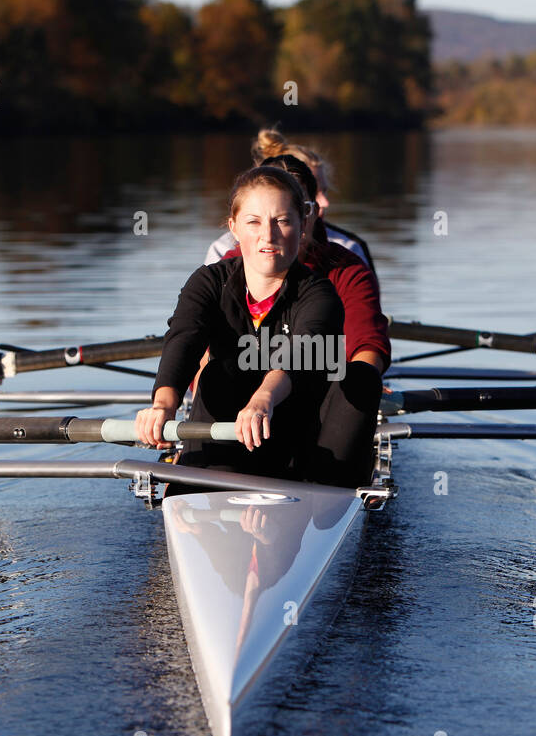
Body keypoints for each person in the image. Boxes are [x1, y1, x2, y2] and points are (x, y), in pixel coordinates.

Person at [136, 165, 344, 481]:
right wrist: (163, 405)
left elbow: (303, 352)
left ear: (303, 226)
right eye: (254, 222)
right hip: (213, 447)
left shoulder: (319, 293)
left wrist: (263, 399)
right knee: (220, 370)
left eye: (283, 221)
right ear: (234, 227)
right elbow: (184, 339)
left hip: (291, 455)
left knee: (352, 378)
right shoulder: (207, 282)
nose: (268, 234)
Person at [219, 153, 390, 487]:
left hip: (323, 410)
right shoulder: (225, 270)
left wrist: (363, 391)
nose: (273, 232)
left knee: (359, 376)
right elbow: (199, 343)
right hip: (246, 411)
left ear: (307, 213)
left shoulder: (347, 269)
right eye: (259, 219)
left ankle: (328, 486)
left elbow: (367, 347)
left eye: (287, 216)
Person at [204, 128, 376, 272]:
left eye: (324, 191)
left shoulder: (348, 249)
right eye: (313, 193)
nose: (324, 203)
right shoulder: (222, 250)